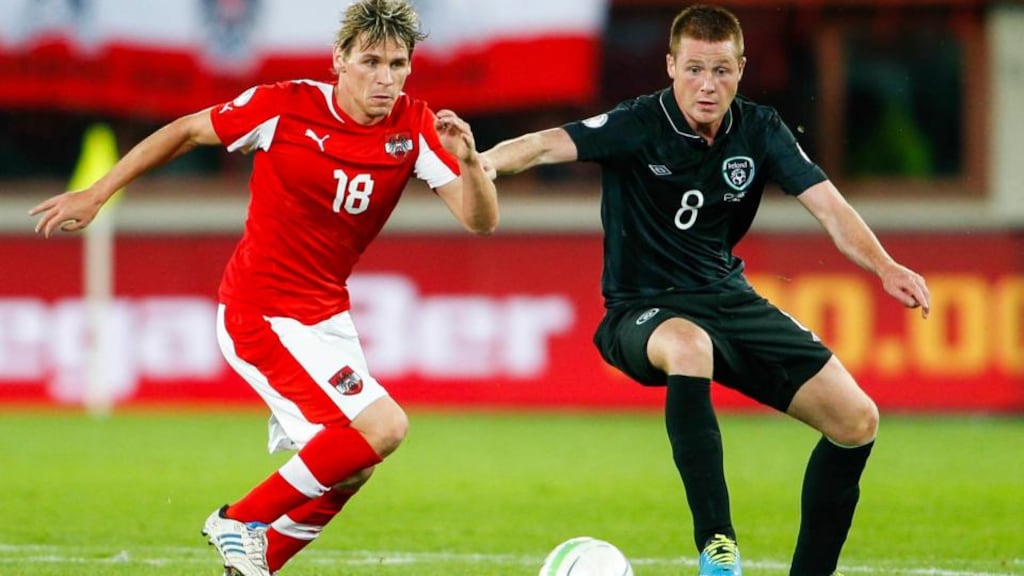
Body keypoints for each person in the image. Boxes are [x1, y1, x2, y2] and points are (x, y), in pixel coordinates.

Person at [29, 1, 498, 575]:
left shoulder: (417, 126)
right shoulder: (285, 105)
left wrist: (471, 162)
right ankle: (240, 519)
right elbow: (186, 131)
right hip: (261, 311)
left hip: (326, 317)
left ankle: (257, 565)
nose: (385, 77)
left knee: (351, 464)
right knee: (384, 426)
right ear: (339, 61)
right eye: (371, 61)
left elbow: (480, 221)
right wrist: (98, 193)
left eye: (398, 64)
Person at [481, 5, 929, 576]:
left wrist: (885, 266)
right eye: (694, 69)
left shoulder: (760, 129)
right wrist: (485, 162)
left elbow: (829, 206)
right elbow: (545, 145)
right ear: (670, 66)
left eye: (721, 70)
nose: (707, 85)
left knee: (857, 421)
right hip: (640, 311)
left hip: (727, 299)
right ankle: (718, 548)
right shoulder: (639, 123)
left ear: (741, 70)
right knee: (690, 346)